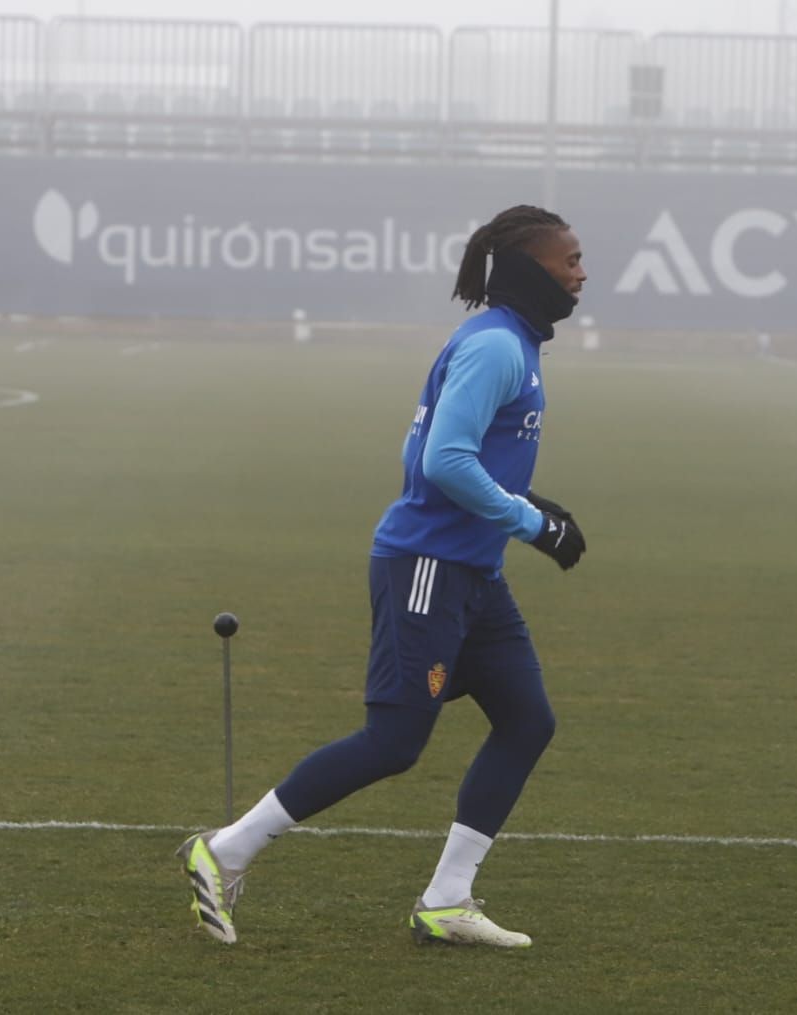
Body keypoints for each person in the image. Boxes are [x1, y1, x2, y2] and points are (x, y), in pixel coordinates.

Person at [179, 204, 588, 948]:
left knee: (528, 719)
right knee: (394, 740)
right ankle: (227, 849)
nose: (581, 274)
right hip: (429, 565)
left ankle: (446, 898)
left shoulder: (512, 344)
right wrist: (529, 522)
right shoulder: (496, 347)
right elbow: (440, 462)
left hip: (471, 571)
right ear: (532, 269)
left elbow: (442, 453)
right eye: (570, 261)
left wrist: (521, 508)